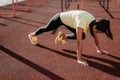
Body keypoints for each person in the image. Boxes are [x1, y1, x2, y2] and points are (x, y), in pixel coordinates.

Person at [28, 10, 113, 66]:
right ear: (95, 26)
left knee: (82, 35)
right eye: (97, 31)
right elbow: (79, 42)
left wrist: (99, 49)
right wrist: (79, 59)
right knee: (47, 28)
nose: (96, 33)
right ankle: (33, 34)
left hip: (70, 21)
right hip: (59, 18)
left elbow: (95, 37)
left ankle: (62, 36)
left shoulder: (94, 23)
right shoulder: (82, 22)